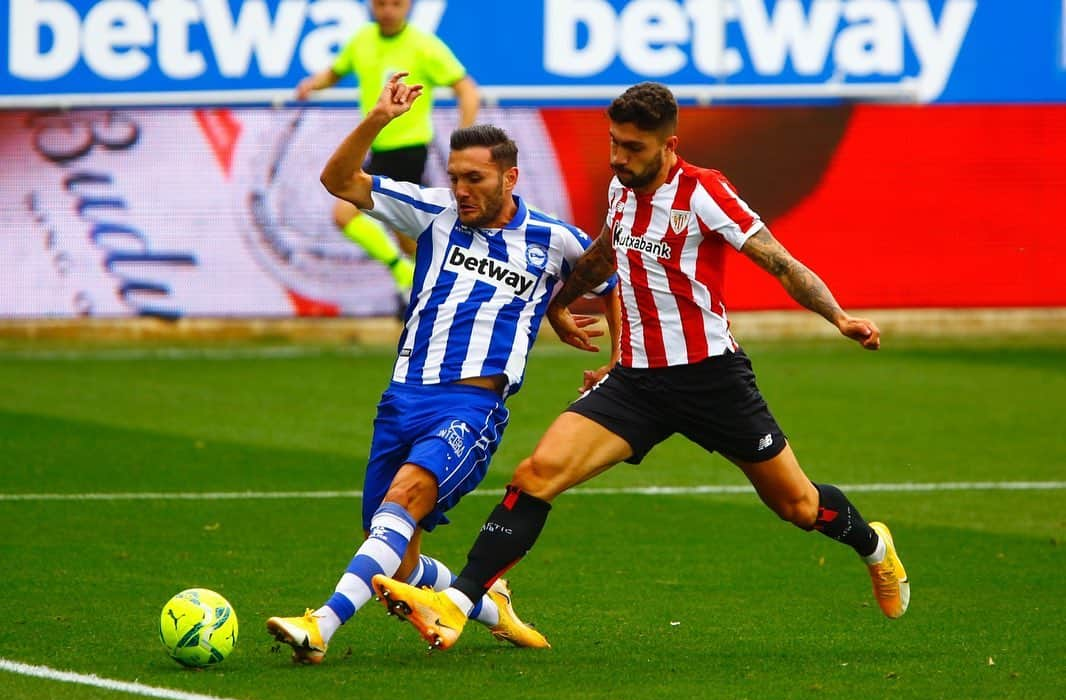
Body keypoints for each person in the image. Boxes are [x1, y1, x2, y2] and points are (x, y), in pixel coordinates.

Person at [371, 82, 910, 651]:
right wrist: (558, 303)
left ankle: (874, 547)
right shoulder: (621, 189)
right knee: (536, 475)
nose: (617, 157)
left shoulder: (706, 193)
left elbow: (778, 260)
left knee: (797, 505)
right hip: (635, 383)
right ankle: (456, 604)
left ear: (668, 145)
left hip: (711, 379)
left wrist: (840, 316)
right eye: (613, 143)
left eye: (631, 147)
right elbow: (606, 251)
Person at [266, 72, 618, 663]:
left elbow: (608, 281)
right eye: (454, 177)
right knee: (393, 552)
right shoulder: (432, 213)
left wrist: (610, 354)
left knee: (403, 501)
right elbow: (337, 181)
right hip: (402, 396)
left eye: (474, 179)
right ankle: (486, 603)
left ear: (509, 177)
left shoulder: (552, 238)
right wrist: (379, 118)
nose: (461, 190)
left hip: (471, 406)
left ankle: (320, 625)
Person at [294, 0, 480, 307]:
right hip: (377, 151)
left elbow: (466, 88)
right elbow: (334, 72)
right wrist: (312, 84)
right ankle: (443, 288)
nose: (388, 10)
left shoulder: (423, 45)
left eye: (396, 4)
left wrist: (464, 142)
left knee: (347, 214)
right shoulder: (362, 40)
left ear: (408, 6)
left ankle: (417, 279)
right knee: (408, 239)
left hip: (408, 152)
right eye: (381, 3)